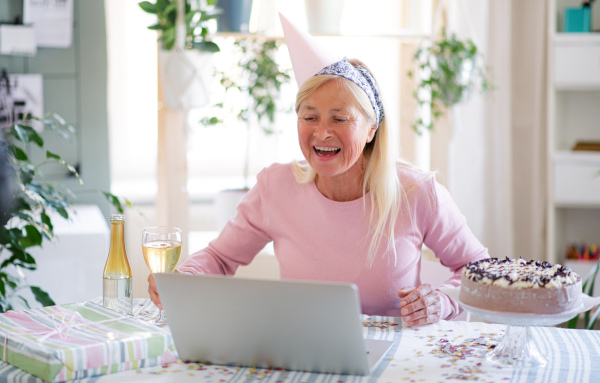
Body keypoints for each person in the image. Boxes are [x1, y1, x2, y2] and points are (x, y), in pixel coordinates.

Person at [148, 14, 489, 326]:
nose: (322, 132)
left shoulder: (418, 193)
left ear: (371, 129)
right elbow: (220, 258)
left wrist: (442, 301)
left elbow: (479, 269)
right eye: (309, 117)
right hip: (304, 351)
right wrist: (186, 279)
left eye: (339, 119)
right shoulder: (275, 186)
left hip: (395, 356)